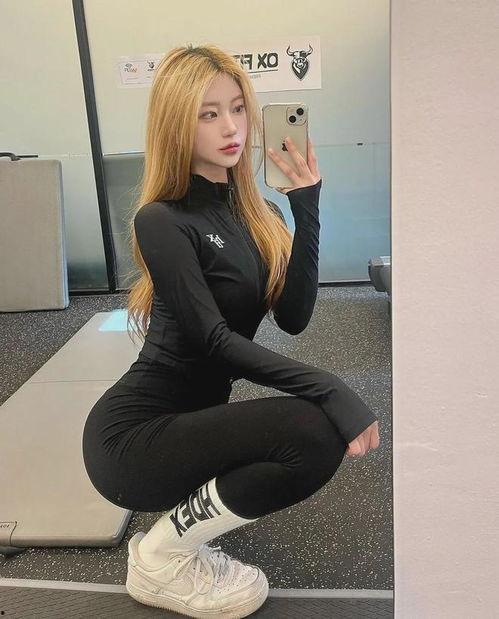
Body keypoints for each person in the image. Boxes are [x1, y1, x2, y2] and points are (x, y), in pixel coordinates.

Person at [82, 43, 380, 618]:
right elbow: (214, 342)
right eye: (209, 113)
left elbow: (293, 317)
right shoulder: (162, 220)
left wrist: (306, 206)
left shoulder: (257, 214)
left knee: (312, 429)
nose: (231, 128)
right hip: (130, 439)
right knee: (312, 431)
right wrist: (330, 387)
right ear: (177, 123)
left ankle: (173, 541)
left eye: (238, 108)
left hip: (189, 423)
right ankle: (158, 559)